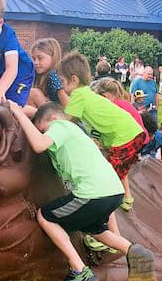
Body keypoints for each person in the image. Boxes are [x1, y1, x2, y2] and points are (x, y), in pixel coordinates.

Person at [6, 101, 157, 281]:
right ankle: (133, 250)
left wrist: (17, 112)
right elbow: (44, 115)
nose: (43, 134)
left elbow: (38, 144)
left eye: (42, 129)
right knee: (93, 229)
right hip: (113, 192)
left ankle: (79, 270)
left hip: (92, 193)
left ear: (51, 120)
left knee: (46, 216)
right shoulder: (77, 133)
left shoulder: (60, 126)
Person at [59, 51, 147, 213]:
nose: (61, 86)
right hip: (132, 134)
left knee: (105, 182)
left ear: (73, 80)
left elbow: (65, 123)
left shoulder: (78, 95)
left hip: (124, 138)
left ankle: (101, 224)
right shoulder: (87, 94)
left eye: (62, 82)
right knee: (116, 169)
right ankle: (127, 198)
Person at [26, 38, 69, 115]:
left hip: (59, 116)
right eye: (33, 58)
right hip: (52, 111)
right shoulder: (38, 76)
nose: (35, 62)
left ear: (53, 57)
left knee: (34, 93)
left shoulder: (54, 76)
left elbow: (67, 104)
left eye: (40, 58)